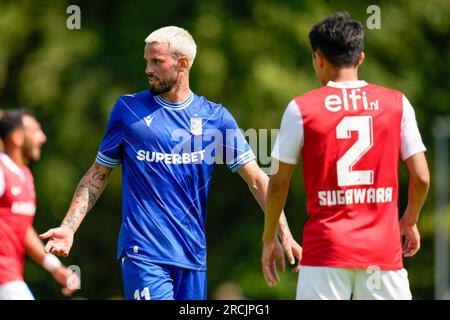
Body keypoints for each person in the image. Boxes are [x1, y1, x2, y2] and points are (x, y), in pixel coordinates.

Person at [40, 26, 301, 300]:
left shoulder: (216, 117)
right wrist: (69, 227)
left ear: (183, 64)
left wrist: (284, 234)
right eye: (146, 61)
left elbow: (258, 180)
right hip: (143, 251)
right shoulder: (128, 110)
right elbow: (98, 173)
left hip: (193, 256)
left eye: (157, 61)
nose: (148, 69)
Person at [261, 12, 430, 300]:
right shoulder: (397, 103)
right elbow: (422, 177)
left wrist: (269, 239)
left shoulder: (301, 108)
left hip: (325, 253)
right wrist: (410, 219)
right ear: (360, 58)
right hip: (382, 255)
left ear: (318, 58)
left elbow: (278, 185)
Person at [0, 109, 80, 300]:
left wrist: (55, 268)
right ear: (18, 138)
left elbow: (23, 230)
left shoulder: (25, 176)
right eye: (36, 131)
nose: (42, 138)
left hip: (11, 276)